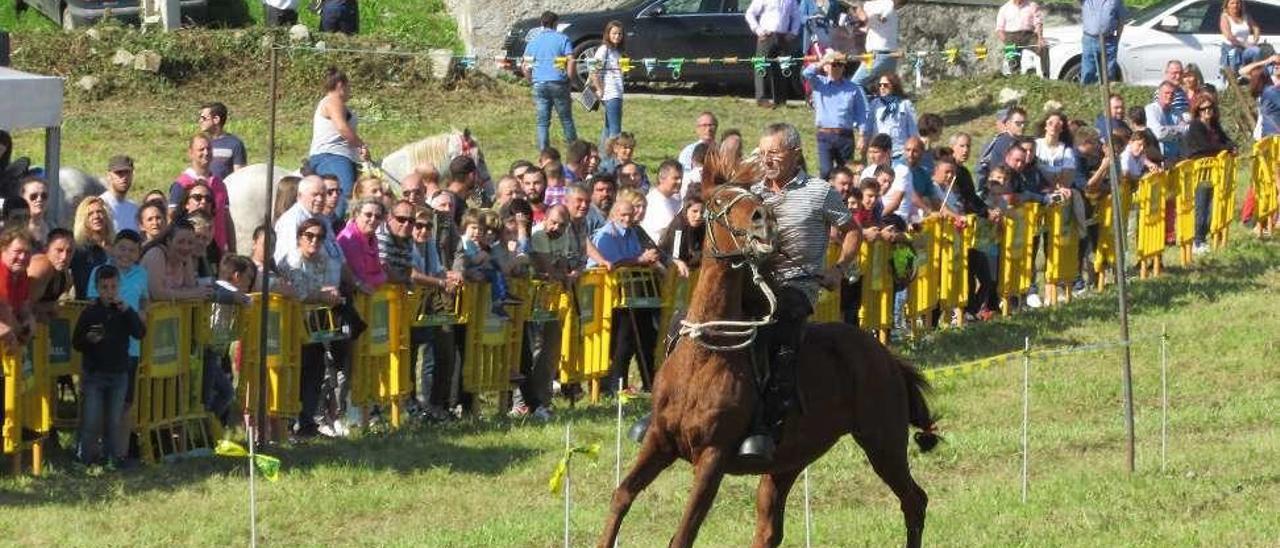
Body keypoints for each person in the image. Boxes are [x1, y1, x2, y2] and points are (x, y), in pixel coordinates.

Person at [742, 122, 861, 460]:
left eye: (774, 153)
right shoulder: (753, 193)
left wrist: (839, 269)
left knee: (775, 328)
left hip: (797, 286)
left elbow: (852, 232)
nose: (767, 160)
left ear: (795, 154)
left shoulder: (819, 191)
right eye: (762, 153)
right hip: (755, 283)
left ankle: (768, 424)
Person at [73, 265, 145, 467]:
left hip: (119, 374)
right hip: (94, 375)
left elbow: (140, 333)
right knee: (92, 420)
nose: (109, 292)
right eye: (104, 287)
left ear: (119, 287)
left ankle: (112, 459)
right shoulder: (90, 312)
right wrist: (89, 339)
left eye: (113, 287)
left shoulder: (123, 311)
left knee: (113, 421)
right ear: (97, 288)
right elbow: (76, 342)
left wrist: (129, 310)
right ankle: (86, 459)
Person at [587, 198, 661, 396]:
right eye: (623, 215)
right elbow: (613, 263)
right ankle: (615, 387)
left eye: (630, 214)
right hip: (612, 297)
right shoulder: (607, 234)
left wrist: (646, 260)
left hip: (634, 295)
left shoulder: (632, 233)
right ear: (614, 214)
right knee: (622, 343)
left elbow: (637, 257)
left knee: (646, 340)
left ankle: (650, 384)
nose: (627, 219)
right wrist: (640, 260)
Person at [279, 218, 344, 439]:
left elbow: (328, 285)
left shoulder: (323, 259)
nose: (314, 241)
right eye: (309, 235)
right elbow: (301, 293)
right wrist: (324, 294)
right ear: (299, 238)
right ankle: (289, 422)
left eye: (319, 237)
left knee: (315, 374)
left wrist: (325, 293)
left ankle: (307, 421)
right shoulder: (292, 261)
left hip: (315, 327)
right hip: (291, 328)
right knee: (294, 375)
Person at [309, 67, 369, 220]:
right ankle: (332, 228)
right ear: (341, 85)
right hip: (333, 156)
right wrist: (361, 146)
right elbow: (342, 127)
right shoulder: (333, 101)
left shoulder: (333, 102)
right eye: (348, 87)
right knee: (342, 195)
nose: (350, 91)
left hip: (339, 157)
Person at [803, 50, 869, 178]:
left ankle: (843, 197)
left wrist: (862, 135)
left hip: (845, 136)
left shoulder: (853, 88)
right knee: (826, 171)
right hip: (825, 135)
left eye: (840, 64)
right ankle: (825, 196)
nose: (837, 67)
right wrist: (823, 61)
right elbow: (806, 73)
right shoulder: (819, 83)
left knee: (845, 173)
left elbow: (862, 113)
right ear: (826, 67)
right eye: (834, 64)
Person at [1184, 95, 1236, 253]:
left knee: (1212, 205)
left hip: (1215, 170)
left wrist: (1230, 146)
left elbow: (1228, 140)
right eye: (1204, 109)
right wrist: (1225, 147)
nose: (1208, 111)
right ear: (1197, 110)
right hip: (1200, 171)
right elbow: (1205, 147)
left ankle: (1205, 237)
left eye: (1210, 108)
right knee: (1202, 205)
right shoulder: (1195, 126)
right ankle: (1197, 240)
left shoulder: (1214, 125)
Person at [170, 133, 235, 254]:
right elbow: (171, 219)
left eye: (209, 149)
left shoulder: (220, 184)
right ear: (191, 153)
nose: (206, 152)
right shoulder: (180, 185)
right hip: (188, 251)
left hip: (217, 253)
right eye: (201, 149)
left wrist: (232, 250)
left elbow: (227, 219)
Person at [523, 11, 578, 153]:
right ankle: (575, 150)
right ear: (555, 24)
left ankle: (543, 153)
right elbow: (571, 60)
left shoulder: (533, 41)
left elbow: (525, 65)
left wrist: (531, 79)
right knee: (566, 119)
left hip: (539, 83)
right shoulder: (562, 38)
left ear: (541, 24)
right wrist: (570, 80)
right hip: (559, 82)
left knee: (542, 122)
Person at [746, 0, 802, 109]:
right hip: (766, 35)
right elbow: (750, 13)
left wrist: (793, 32)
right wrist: (758, 30)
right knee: (761, 67)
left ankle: (780, 100)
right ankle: (761, 99)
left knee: (782, 68)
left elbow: (797, 16)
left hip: (783, 37)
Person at [140, 219, 211, 301]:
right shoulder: (156, 254)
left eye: (190, 242)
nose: (186, 247)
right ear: (169, 241)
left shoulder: (185, 257)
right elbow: (157, 294)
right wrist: (193, 294)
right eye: (180, 242)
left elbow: (191, 287)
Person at [336, 197, 387, 294]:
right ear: (356, 214)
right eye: (368, 215)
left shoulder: (371, 237)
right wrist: (384, 277)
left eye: (377, 217)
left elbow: (376, 269)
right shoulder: (349, 239)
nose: (373, 220)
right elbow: (362, 277)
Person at [862, 72, 918, 158]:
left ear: (894, 86)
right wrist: (864, 143)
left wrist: (913, 148)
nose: (882, 88)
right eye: (880, 85)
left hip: (900, 152)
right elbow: (868, 127)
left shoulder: (905, 104)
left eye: (885, 85)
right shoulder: (875, 104)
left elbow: (913, 129)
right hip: (880, 153)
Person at [850, 0, 903, 88]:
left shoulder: (878, 4)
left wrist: (857, 7)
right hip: (892, 57)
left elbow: (863, 17)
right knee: (883, 90)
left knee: (854, 85)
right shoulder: (891, 7)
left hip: (877, 56)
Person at [70, 197, 115, 300]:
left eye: (99, 212)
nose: (96, 216)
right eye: (90, 214)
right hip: (87, 307)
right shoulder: (79, 250)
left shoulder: (118, 247)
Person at [25, 228, 74, 322]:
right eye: (59, 250)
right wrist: (51, 307)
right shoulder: (42, 266)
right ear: (46, 249)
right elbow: (22, 308)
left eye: (69, 251)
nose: (64, 257)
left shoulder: (67, 277)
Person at [592, 21, 627, 145]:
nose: (617, 36)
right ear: (608, 34)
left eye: (619, 34)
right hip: (611, 94)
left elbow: (621, 72)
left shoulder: (618, 51)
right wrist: (599, 89)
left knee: (608, 128)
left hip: (617, 92)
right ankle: (613, 161)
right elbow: (594, 71)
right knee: (615, 131)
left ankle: (602, 157)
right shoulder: (603, 50)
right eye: (614, 33)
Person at [0, 228, 35, 349]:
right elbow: (3, 309)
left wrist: (29, 321)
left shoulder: (21, 274)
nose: (22, 257)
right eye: (18, 251)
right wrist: (19, 332)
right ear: (3, 250)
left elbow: (24, 307)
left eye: (27, 253)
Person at [658, 196, 705, 278]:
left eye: (702, 212)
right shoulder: (679, 226)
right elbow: (676, 256)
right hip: (668, 263)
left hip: (688, 264)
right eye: (694, 211)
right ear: (686, 211)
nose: (698, 216)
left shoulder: (702, 225)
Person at [1080, 0, 1127, 84]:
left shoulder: (1116, 1)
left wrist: (1117, 40)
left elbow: (1121, 20)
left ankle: (1106, 95)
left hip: (1108, 41)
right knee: (1088, 72)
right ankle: (1087, 94)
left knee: (1108, 74)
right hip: (1089, 40)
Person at [199, 102, 248, 181]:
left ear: (216, 119)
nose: (200, 121)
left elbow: (239, 178)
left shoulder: (235, 144)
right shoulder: (201, 143)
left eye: (203, 118)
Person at [1146, 81, 1191, 165]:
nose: (1170, 96)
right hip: (1160, 161)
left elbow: (1185, 131)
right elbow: (1159, 134)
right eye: (1166, 93)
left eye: (1172, 93)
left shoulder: (1177, 113)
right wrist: (1178, 130)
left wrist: (1167, 129)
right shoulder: (1151, 110)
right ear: (1159, 94)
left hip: (1177, 160)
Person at [994, 0, 1044, 75]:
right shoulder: (1004, 8)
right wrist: (1006, 42)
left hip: (1029, 35)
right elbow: (999, 29)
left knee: (1044, 48)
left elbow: (1038, 23)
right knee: (1012, 55)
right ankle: (1015, 76)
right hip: (1011, 36)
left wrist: (1040, 38)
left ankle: (1045, 74)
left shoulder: (1032, 5)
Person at [640, 160, 683, 244]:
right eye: (675, 178)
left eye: (681, 178)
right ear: (661, 178)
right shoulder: (652, 201)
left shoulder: (677, 199)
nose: (680, 182)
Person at [101, 156, 140, 233]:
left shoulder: (134, 209)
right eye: (119, 173)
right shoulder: (101, 206)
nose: (124, 177)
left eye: (127, 172)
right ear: (109, 176)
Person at [1220, 0, 1262, 72]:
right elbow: (1229, 36)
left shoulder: (1246, 16)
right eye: (1232, 3)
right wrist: (1244, 44)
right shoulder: (1225, 17)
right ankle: (1233, 78)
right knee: (1234, 59)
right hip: (1230, 48)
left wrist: (1255, 41)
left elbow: (1256, 27)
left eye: (1237, 3)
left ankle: (1255, 75)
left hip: (1244, 48)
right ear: (1227, 5)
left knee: (1256, 51)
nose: (1235, 5)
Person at [19, 176, 52, 248]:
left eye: (44, 196)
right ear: (22, 199)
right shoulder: (15, 229)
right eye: (33, 196)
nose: (39, 199)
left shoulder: (52, 228)